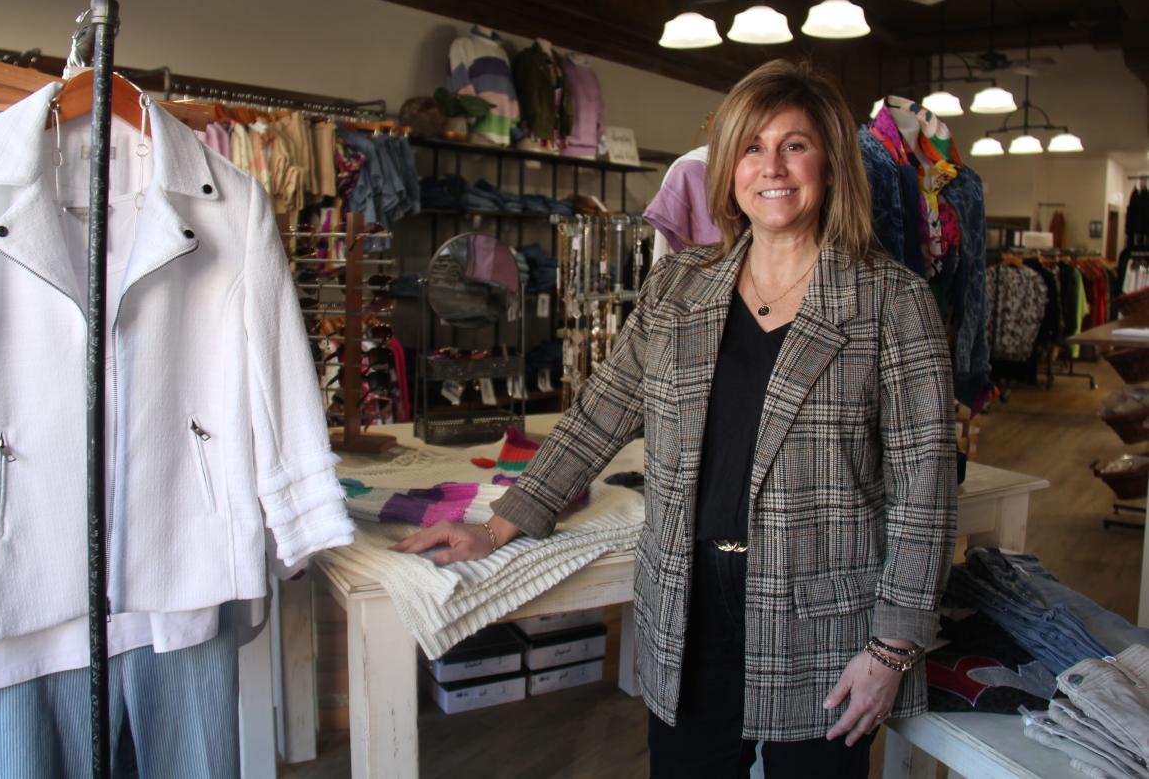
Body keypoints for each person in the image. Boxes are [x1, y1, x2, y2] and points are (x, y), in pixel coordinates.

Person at [392, 59, 957, 777]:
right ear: (727, 170)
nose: (772, 167)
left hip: (823, 625)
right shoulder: (680, 286)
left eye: (794, 145)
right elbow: (599, 414)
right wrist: (497, 524)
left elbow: (924, 491)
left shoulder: (891, 301)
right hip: (687, 610)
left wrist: (892, 649)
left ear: (831, 164)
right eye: (751, 148)